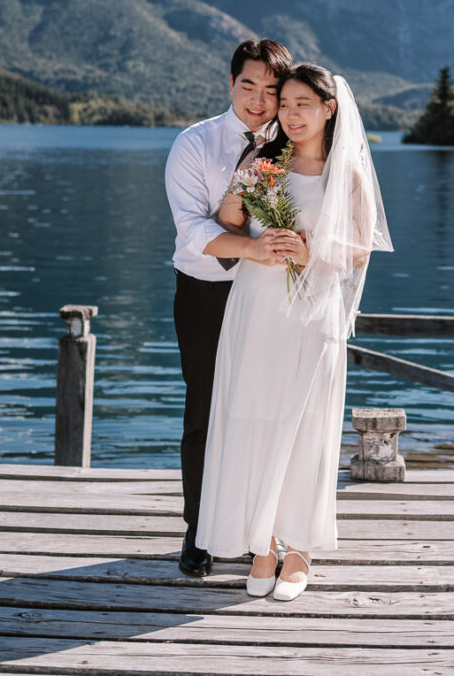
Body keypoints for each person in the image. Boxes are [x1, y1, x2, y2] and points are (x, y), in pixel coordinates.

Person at [196, 64, 392, 600]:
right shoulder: (266, 161)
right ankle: (264, 545)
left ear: (329, 109)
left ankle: (300, 549)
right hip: (256, 306)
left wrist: (310, 253)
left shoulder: (345, 172)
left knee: (305, 424)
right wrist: (246, 183)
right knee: (252, 416)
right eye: (285, 104)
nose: (291, 113)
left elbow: (359, 251)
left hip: (313, 313)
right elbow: (230, 220)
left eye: (303, 103)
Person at [165, 37, 293, 578]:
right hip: (206, 293)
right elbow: (192, 229)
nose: (259, 100)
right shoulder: (194, 144)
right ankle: (199, 529)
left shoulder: (296, 146)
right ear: (231, 83)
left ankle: (259, 528)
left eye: (271, 90)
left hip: (269, 296)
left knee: (264, 409)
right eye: (249, 85)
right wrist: (250, 248)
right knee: (205, 410)